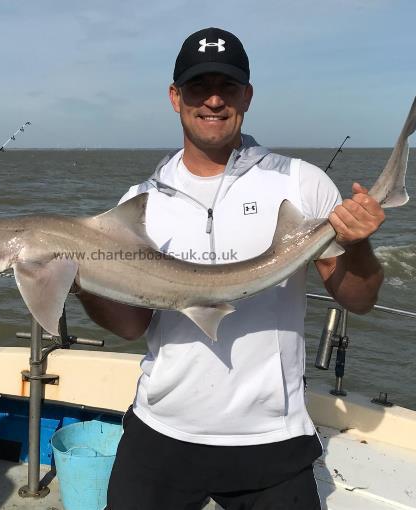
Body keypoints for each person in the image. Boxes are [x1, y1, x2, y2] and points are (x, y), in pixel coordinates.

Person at [76, 27, 385, 510]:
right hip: (162, 430)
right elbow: (132, 325)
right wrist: (80, 279)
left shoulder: (302, 184)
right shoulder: (138, 205)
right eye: (199, 87)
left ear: (248, 96)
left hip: (271, 437)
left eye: (229, 87)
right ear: (175, 97)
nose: (214, 100)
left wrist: (359, 245)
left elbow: (360, 300)